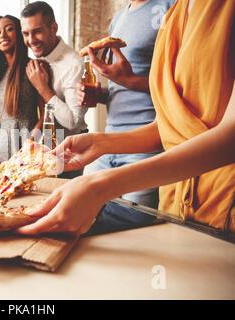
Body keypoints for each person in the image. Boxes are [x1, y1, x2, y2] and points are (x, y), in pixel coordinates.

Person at [17, 0, 235, 236]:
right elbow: (173, 121)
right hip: (177, 200)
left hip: (223, 203)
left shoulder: (172, 9)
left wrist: (103, 185)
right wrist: (101, 141)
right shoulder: (175, 13)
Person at [77, 0, 175, 233]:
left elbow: (184, 89)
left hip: (147, 144)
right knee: (83, 224)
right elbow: (119, 84)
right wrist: (98, 95)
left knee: (136, 232)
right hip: (106, 143)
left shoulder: (172, 7)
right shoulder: (120, 18)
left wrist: (130, 81)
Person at [20, 1, 87, 141]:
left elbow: (74, 123)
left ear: (54, 28)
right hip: (43, 147)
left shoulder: (73, 64)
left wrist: (43, 88)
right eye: (26, 34)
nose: (31, 40)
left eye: (37, 32)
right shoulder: (37, 61)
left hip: (70, 151)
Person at [0, 15, 45, 160]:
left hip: (28, 149)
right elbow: (2, 123)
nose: (3, 35)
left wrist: (30, 142)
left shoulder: (34, 67)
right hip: (3, 151)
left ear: (19, 33)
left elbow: (46, 115)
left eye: (9, 29)